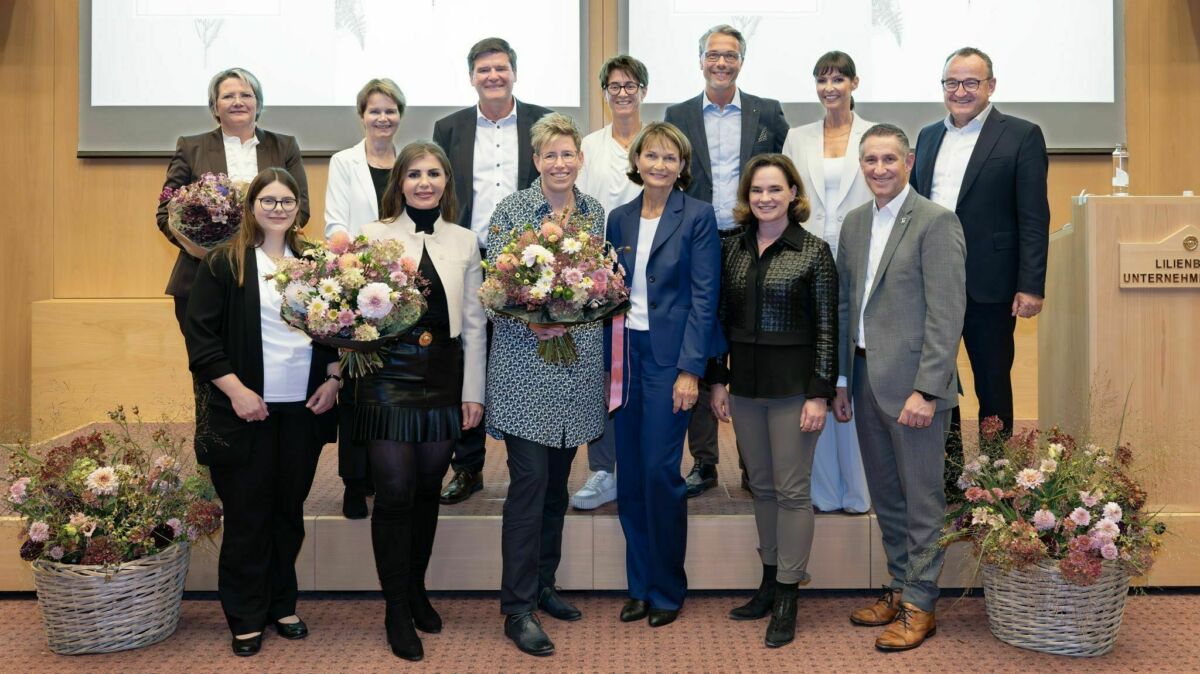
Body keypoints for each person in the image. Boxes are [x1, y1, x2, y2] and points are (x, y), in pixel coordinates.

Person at [184, 167, 338, 657]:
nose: (277, 208)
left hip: (304, 410)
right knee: (248, 516)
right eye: (268, 200)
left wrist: (334, 381)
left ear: (299, 208)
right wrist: (237, 392)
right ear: (252, 207)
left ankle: (280, 603)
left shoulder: (315, 261)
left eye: (286, 200)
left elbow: (342, 329)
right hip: (245, 411)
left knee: (287, 513)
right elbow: (201, 340)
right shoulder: (226, 262)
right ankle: (246, 615)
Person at [834, 124, 965, 651]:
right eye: (870, 160)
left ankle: (921, 604)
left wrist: (928, 390)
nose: (880, 169)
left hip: (914, 388)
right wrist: (841, 378)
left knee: (922, 500)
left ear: (908, 162)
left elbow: (946, 313)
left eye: (890, 159)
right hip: (865, 379)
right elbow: (846, 306)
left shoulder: (937, 222)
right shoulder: (854, 222)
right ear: (861, 166)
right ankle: (899, 585)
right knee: (886, 496)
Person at [356, 143, 487, 661]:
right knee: (393, 494)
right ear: (400, 183)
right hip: (388, 376)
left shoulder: (465, 240)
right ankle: (394, 607)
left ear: (446, 182)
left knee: (429, 490)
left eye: (434, 173)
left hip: (443, 377)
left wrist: (472, 392)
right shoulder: (372, 236)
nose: (424, 182)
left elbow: (476, 324)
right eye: (414, 173)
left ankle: (416, 591)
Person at [485, 113, 605, 657]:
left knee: (557, 486)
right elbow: (496, 288)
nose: (559, 163)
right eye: (549, 155)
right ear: (536, 161)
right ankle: (516, 607)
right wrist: (536, 315)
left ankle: (544, 584)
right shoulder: (513, 209)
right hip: (524, 370)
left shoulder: (596, 214)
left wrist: (578, 303)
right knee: (529, 486)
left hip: (575, 370)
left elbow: (602, 286)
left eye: (568, 154)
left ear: (580, 158)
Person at [708, 154, 837, 648]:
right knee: (759, 486)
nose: (765, 198)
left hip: (793, 391)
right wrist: (718, 381)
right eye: (757, 190)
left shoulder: (813, 251)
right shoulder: (732, 249)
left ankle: (788, 592)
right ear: (748, 197)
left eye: (775, 190)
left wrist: (819, 393)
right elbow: (719, 319)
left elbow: (828, 326)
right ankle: (767, 580)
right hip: (746, 389)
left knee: (791, 490)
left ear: (792, 194)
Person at [911, 46, 1050, 473]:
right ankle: (950, 471)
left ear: (991, 86)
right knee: (937, 380)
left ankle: (996, 473)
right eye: (952, 82)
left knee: (991, 379)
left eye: (971, 82)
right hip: (931, 280)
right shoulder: (928, 136)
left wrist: (1031, 285)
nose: (961, 91)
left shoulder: (1021, 135)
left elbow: (1033, 217)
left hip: (990, 282)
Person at [665, 24, 789, 497]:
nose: (721, 63)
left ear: (742, 61)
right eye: (713, 55)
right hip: (696, 240)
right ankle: (705, 462)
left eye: (730, 55)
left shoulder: (767, 112)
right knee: (699, 346)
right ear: (700, 61)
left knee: (751, 343)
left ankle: (756, 465)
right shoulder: (677, 114)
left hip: (751, 240)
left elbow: (779, 173)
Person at [608, 122, 721, 628]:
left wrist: (690, 371)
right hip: (622, 356)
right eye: (650, 155)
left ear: (682, 166)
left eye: (669, 157)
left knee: (659, 471)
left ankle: (668, 588)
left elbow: (704, 300)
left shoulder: (697, 216)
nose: (659, 164)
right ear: (636, 161)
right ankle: (639, 585)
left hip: (668, 361)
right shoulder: (618, 218)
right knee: (628, 473)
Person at [433, 37, 554, 505]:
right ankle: (468, 465)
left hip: (531, 260)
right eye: (483, 70)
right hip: (469, 254)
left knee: (530, 350)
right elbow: (441, 192)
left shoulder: (542, 122)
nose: (493, 77)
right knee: (468, 354)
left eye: (500, 68)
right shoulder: (451, 127)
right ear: (471, 77)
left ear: (514, 72)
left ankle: (537, 459)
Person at [781, 51, 873, 514]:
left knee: (850, 368)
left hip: (860, 260)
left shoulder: (871, 134)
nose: (830, 86)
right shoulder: (796, 138)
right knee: (815, 367)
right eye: (822, 79)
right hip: (807, 264)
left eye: (839, 78)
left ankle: (857, 489)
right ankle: (821, 488)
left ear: (855, 82)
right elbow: (784, 198)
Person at [159, 68, 308, 333]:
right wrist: (203, 251)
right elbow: (166, 214)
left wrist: (261, 245)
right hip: (201, 277)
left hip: (270, 278)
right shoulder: (190, 147)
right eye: (228, 96)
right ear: (214, 106)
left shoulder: (284, 146)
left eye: (246, 95)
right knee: (208, 363)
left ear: (258, 103)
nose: (238, 101)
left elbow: (301, 208)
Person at [324, 78, 407, 520]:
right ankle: (354, 483)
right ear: (362, 115)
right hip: (356, 285)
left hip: (402, 288)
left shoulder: (410, 161)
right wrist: (358, 270)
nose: (382, 118)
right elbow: (335, 223)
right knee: (355, 388)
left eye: (390, 110)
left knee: (390, 388)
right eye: (374, 110)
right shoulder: (344, 162)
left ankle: (383, 474)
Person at [570, 53, 649, 511]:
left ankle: (641, 467)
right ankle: (603, 469)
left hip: (652, 276)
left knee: (644, 373)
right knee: (601, 376)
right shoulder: (589, 145)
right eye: (614, 86)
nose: (623, 93)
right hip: (599, 281)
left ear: (643, 91)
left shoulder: (655, 141)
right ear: (604, 94)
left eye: (631, 85)